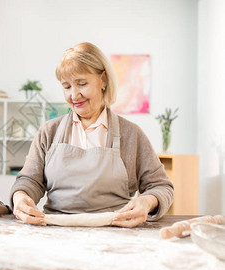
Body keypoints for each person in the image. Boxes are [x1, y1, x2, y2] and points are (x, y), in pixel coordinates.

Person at [10, 42, 174, 228]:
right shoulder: (49, 132)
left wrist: (147, 201)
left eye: (82, 83)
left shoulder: (131, 134)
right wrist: (21, 197)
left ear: (103, 79)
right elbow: (29, 180)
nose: (74, 95)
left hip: (116, 233)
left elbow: (162, 187)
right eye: (66, 86)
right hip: (55, 233)